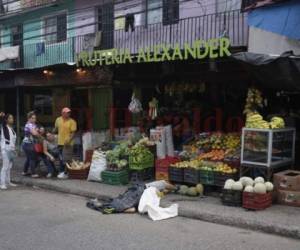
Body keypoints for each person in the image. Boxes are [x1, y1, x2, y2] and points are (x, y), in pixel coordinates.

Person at [54, 107, 77, 179]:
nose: (68, 114)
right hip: (60, 142)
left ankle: (65, 172)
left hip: (68, 143)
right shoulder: (58, 120)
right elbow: (56, 129)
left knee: (66, 158)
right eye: (67, 113)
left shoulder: (72, 121)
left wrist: (69, 140)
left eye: (69, 113)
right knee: (61, 158)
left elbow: (73, 133)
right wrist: (52, 133)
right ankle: (62, 172)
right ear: (62, 113)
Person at [0, 113, 17, 190]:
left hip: (11, 150)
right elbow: (3, 122)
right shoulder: (4, 127)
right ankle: (2, 183)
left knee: (9, 167)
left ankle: (8, 181)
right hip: (5, 149)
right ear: (6, 120)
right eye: (10, 118)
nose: (12, 119)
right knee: (5, 167)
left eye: (12, 118)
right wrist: (2, 116)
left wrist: (14, 150)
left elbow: (13, 141)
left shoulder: (12, 129)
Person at [22, 111, 40, 178]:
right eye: (32, 118)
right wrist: (37, 132)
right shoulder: (29, 124)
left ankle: (24, 171)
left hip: (28, 144)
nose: (34, 119)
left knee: (29, 158)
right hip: (28, 144)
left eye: (35, 118)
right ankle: (33, 173)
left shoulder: (33, 125)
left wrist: (37, 131)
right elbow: (35, 133)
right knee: (33, 158)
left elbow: (38, 131)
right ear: (29, 119)